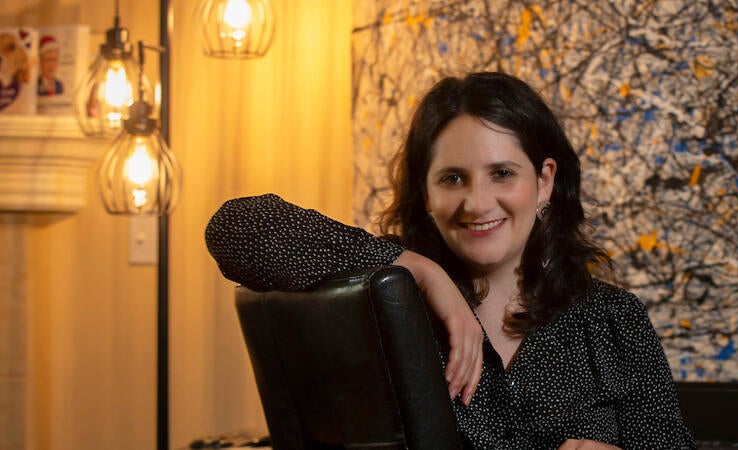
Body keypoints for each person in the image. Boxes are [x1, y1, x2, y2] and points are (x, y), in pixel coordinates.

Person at [205, 72, 696, 450]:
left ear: (544, 181)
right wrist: (424, 273)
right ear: (424, 191)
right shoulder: (381, 304)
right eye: (453, 178)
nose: (477, 204)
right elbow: (235, 230)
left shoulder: (615, 319)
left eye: (502, 173)